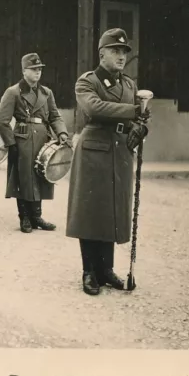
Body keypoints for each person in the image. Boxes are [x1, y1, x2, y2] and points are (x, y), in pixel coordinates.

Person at [66, 28, 151, 296]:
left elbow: (140, 117)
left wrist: (141, 128)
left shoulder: (129, 84)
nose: (121, 56)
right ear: (102, 53)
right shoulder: (87, 82)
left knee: (112, 208)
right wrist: (133, 111)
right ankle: (89, 271)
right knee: (91, 209)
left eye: (124, 52)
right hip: (94, 149)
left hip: (121, 150)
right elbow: (94, 108)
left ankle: (106, 270)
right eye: (115, 50)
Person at [0, 52, 68, 234]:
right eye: (33, 69)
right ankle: (25, 217)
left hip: (43, 140)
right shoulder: (13, 92)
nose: (37, 73)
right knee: (24, 178)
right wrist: (11, 144)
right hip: (23, 139)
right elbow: (1, 121)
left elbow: (55, 116)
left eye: (39, 69)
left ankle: (36, 216)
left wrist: (62, 133)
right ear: (24, 71)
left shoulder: (46, 92)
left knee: (41, 175)